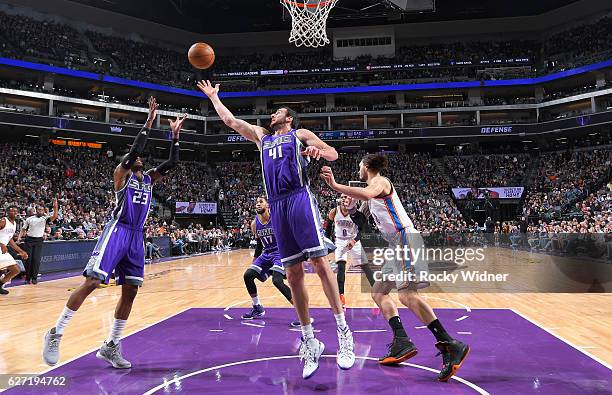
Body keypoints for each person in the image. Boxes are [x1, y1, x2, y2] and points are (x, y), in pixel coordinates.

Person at [198, 80, 354, 379]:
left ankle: (344, 333)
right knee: (293, 274)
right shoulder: (262, 138)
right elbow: (231, 121)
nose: (272, 115)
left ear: (289, 118)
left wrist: (317, 152)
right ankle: (310, 341)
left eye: (277, 112)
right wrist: (215, 97)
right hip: (277, 205)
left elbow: (333, 153)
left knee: (321, 264)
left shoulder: (300, 134)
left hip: (299, 198)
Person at [43, 97, 186, 368]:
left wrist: (175, 136)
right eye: (136, 158)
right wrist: (148, 122)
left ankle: (111, 345)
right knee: (93, 282)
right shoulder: (122, 175)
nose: (140, 159)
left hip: (136, 236)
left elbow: (172, 163)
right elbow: (133, 151)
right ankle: (55, 333)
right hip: (117, 231)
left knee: (131, 290)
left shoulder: (149, 179)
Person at [320, 154, 470, 382]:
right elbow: (362, 222)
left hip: (405, 238)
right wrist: (351, 209)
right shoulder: (369, 194)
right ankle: (401, 340)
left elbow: (368, 193)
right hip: (395, 245)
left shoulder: (380, 182)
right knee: (378, 292)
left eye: (360, 165)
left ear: (367, 166)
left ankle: (451, 344)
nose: (358, 169)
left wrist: (335, 185)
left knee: (407, 295)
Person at [242, 196, 306, 328]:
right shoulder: (254, 224)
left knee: (277, 281)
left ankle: (302, 314)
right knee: (248, 275)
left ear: (268, 205)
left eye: (261, 202)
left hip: (280, 253)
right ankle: (257, 307)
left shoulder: (276, 219)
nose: (257, 204)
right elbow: (260, 244)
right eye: (256, 202)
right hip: (266, 254)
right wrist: (255, 261)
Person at [326, 194, 375, 308]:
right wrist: (327, 245)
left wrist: (354, 240)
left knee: (366, 267)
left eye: (347, 197)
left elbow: (363, 231)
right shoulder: (334, 211)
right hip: (340, 241)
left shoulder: (357, 215)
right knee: (341, 268)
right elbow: (327, 230)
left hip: (354, 241)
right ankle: (341, 296)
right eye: (342, 197)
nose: (344, 199)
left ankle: (377, 291)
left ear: (352, 200)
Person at [20, 198, 58, 284]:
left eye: (42, 210)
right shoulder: (29, 219)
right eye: (39, 209)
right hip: (29, 240)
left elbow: (55, 216)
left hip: (38, 240)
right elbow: (23, 229)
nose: (40, 211)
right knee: (28, 260)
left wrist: (55, 205)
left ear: (43, 211)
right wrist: (19, 238)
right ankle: (27, 277)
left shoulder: (45, 219)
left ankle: (34, 278)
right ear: (36, 210)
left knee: (36, 260)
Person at [0, 206, 29, 295]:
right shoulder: (3, 221)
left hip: (3, 249)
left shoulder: (14, 223)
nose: (14, 213)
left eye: (16, 211)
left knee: (16, 270)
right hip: (1, 247)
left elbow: (10, 240)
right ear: (7, 212)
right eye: (12, 211)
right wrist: (1, 244)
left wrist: (21, 251)